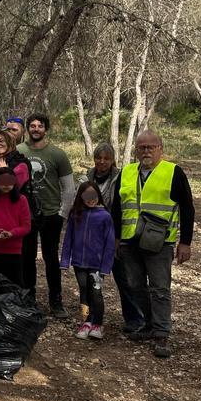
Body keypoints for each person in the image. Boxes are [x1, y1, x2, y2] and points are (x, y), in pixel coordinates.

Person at [110, 130, 195, 359]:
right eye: (141, 147)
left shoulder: (173, 172)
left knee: (159, 289)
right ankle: (147, 324)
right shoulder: (127, 172)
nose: (146, 151)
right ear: (136, 150)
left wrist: (185, 242)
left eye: (150, 147)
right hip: (130, 241)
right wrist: (116, 238)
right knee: (135, 286)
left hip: (160, 242)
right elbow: (117, 207)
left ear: (160, 148)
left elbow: (187, 208)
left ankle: (161, 333)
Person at [18, 113, 75, 318]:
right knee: (27, 257)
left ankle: (56, 301)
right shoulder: (19, 151)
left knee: (51, 259)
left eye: (39, 126)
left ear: (45, 129)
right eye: (32, 126)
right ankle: (28, 298)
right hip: (26, 215)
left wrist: (62, 213)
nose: (35, 129)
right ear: (27, 129)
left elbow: (69, 187)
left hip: (51, 213)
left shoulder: (57, 154)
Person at [87, 142, 143, 332]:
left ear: (112, 160)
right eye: (98, 158)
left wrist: (118, 237)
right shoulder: (87, 176)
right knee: (92, 279)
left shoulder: (120, 177)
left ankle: (134, 319)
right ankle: (91, 317)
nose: (102, 162)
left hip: (113, 234)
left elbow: (120, 207)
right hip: (91, 236)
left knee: (124, 279)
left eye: (106, 158)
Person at [61, 181, 115, 340]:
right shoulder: (75, 214)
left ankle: (97, 324)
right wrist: (65, 260)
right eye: (87, 196)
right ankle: (86, 322)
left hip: (97, 265)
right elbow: (68, 239)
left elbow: (110, 243)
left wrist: (106, 266)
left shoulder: (105, 216)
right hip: (79, 263)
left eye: (93, 195)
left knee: (96, 293)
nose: (90, 199)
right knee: (84, 290)